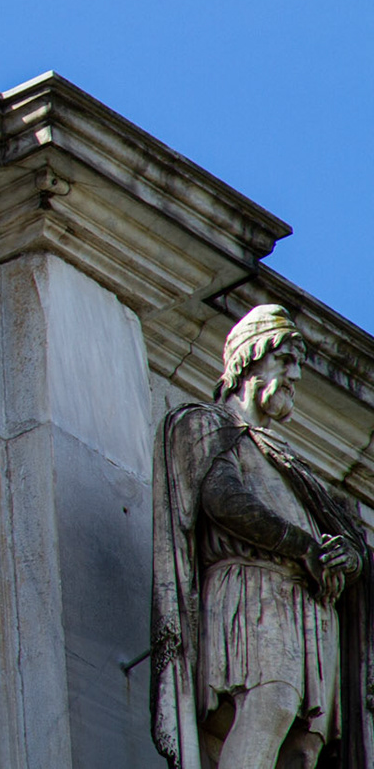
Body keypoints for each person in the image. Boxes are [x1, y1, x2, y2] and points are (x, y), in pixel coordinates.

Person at [152, 304, 373, 769]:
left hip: (309, 609)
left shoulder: (288, 458)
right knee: (270, 705)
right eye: (285, 360)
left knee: (304, 749)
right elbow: (223, 499)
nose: (295, 376)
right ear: (250, 358)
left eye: (298, 364)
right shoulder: (208, 424)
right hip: (251, 591)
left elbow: (345, 535)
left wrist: (347, 557)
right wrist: (304, 547)